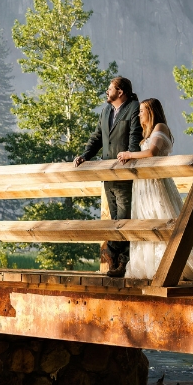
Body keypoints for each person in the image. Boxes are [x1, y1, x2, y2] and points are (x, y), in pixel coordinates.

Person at [117, 97, 193, 282]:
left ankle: (168, 265)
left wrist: (129, 154)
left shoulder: (160, 127)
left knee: (160, 216)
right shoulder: (147, 132)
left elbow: (152, 152)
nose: (139, 114)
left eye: (142, 110)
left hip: (155, 183)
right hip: (143, 184)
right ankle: (149, 265)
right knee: (144, 219)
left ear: (151, 112)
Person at [74, 76, 142, 277]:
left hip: (125, 172)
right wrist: (85, 156)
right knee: (115, 219)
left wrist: (130, 157)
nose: (106, 91)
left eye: (109, 88)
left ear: (120, 92)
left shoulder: (134, 108)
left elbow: (134, 137)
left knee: (124, 218)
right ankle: (115, 260)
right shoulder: (105, 111)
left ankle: (121, 259)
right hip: (107, 173)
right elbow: (97, 137)